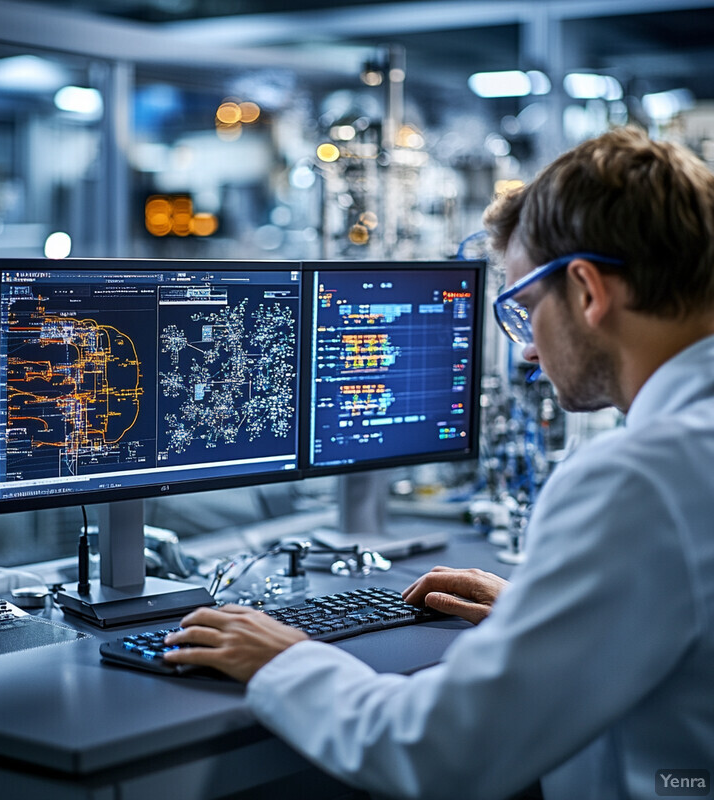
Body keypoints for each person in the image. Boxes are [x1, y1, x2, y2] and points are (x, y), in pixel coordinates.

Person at [163, 127, 714, 799]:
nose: (526, 355)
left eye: (523, 312)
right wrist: (540, 616)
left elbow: (437, 753)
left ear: (588, 291)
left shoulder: (638, 479)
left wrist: (284, 658)